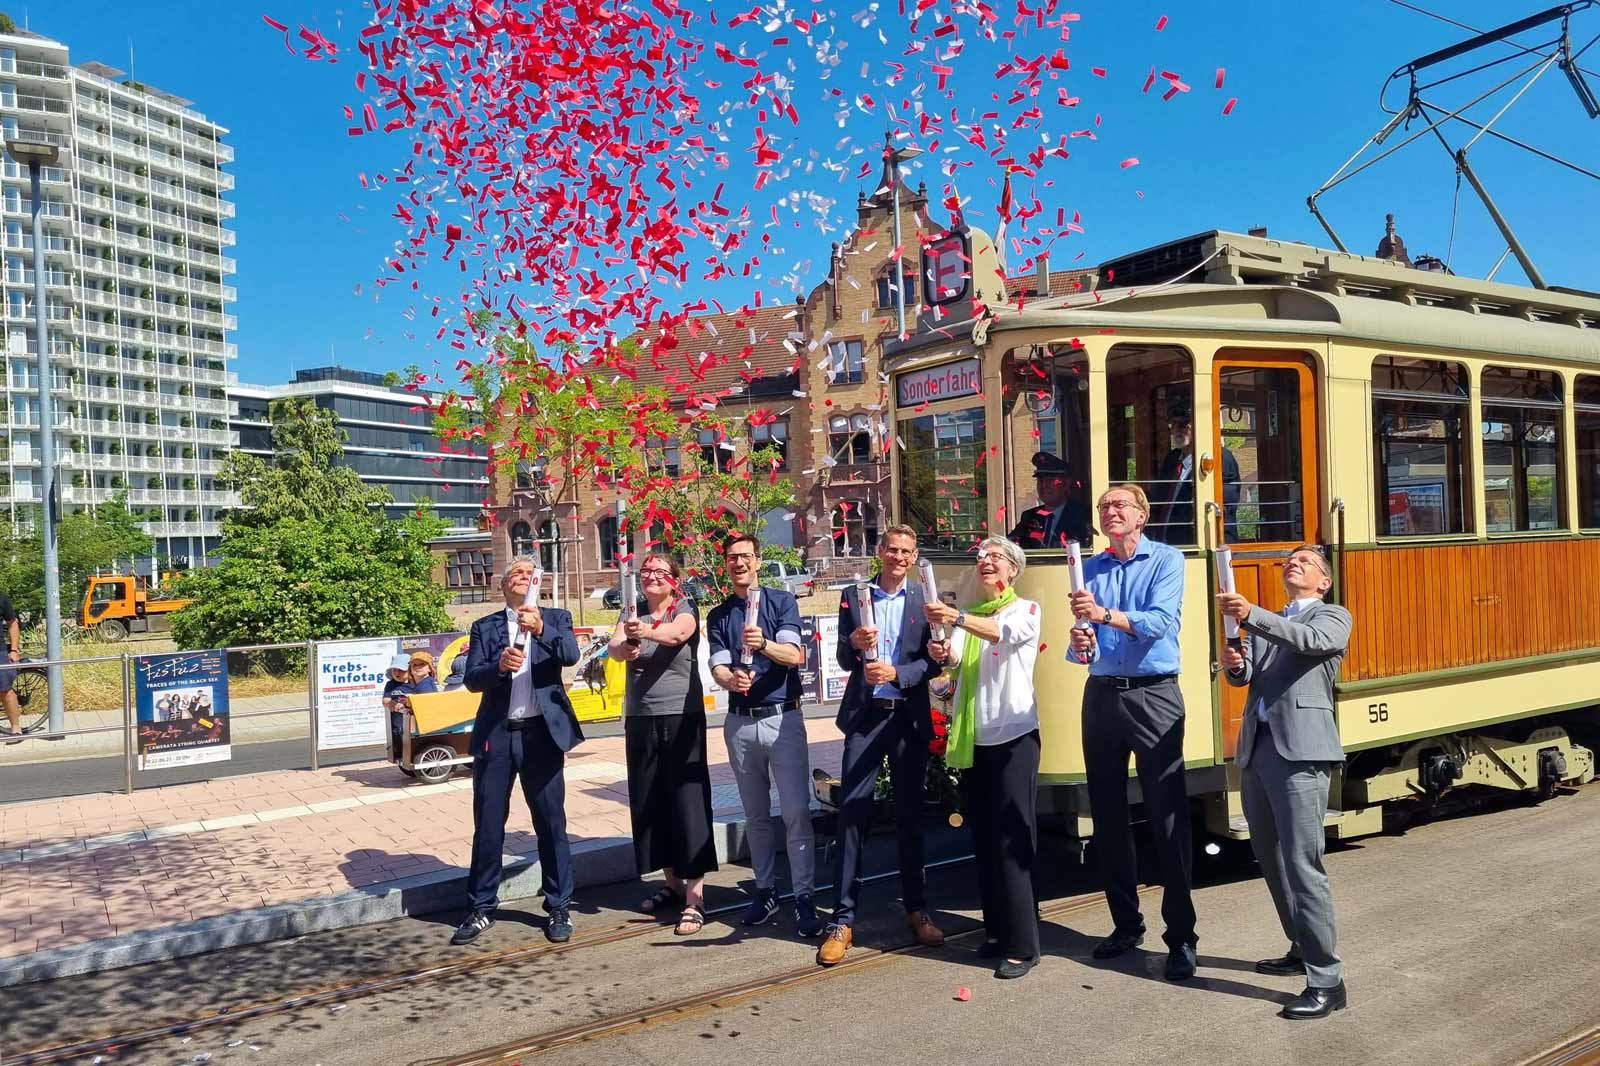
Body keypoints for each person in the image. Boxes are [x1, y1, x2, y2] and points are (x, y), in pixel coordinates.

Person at [1067, 483, 1198, 982]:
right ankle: (1126, 924)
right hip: (1101, 694)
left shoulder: (1166, 559)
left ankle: (1182, 937)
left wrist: (1100, 616)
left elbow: (1162, 622)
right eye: (1103, 507)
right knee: (1107, 815)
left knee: (1168, 819)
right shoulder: (1091, 568)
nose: (1109, 511)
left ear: (1141, 516)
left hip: (1154, 695)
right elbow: (1084, 642)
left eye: (1119, 505)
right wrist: (1081, 639)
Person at [1219, 545, 1353, 1020]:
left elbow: (1310, 642)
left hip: (1302, 752)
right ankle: (1300, 946)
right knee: (1271, 858)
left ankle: (1327, 980)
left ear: (1324, 581)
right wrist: (1235, 662)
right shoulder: (1267, 621)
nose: (1292, 564)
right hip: (1258, 750)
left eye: (1305, 562)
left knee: (1302, 862)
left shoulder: (1334, 616)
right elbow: (1248, 677)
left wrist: (1251, 615)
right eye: (1288, 562)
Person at [816, 525, 948, 966]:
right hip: (867, 719)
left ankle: (916, 908)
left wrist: (900, 676)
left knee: (911, 818)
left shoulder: (923, 600)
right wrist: (854, 646)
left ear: (913, 558)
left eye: (906, 552)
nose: (898, 557)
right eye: (891, 549)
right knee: (853, 813)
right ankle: (842, 919)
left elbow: (934, 659)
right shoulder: (856, 597)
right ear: (879, 552)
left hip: (908, 718)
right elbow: (839, 656)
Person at [924, 536, 1041, 979]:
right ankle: (996, 933)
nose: (986, 563)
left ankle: (1023, 945)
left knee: (1013, 842)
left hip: (1014, 738)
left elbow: (1002, 634)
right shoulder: (971, 618)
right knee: (986, 843)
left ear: (1013, 570)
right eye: (982, 558)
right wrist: (942, 647)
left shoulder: (1025, 609)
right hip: (977, 740)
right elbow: (952, 656)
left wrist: (956, 617)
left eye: (995, 558)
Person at [451, 556, 583, 947]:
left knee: (550, 821)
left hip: (542, 734)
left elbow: (571, 654)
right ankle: (481, 907)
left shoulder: (556, 617)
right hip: (498, 735)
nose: (525, 578)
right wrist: (498, 667)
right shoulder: (485, 626)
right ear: (504, 585)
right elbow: (472, 679)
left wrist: (540, 628)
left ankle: (559, 903)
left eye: (530, 574)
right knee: (489, 824)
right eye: (517, 574)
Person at [705, 533, 821, 938]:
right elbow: (718, 665)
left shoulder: (781, 601)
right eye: (732, 557)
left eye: (746, 556)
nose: (739, 563)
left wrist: (765, 644)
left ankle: (804, 895)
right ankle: (766, 889)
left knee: (795, 812)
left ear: (757, 561)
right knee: (754, 816)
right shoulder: (718, 615)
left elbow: (795, 656)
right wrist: (729, 679)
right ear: (726, 563)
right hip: (739, 722)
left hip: (782, 718)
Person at [610, 553, 718, 938]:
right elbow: (614, 648)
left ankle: (695, 896)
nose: (651, 577)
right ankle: (671, 883)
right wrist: (628, 648)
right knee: (651, 800)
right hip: (640, 718)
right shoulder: (631, 609)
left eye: (659, 571)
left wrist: (644, 632)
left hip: (680, 715)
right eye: (646, 572)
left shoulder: (685, 606)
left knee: (686, 802)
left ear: (675, 579)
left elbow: (677, 634)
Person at [1153, 409, 1240, 542]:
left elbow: (1226, 503)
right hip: (1167, 542)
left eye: (1183, 425)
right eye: (1173, 425)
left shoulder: (1219, 457)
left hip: (1203, 540)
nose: (1177, 430)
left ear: (1200, 426)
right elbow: (1160, 495)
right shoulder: (1172, 458)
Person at [1008, 452, 1093, 550]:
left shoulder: (1082, 514)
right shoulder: (1030, 516)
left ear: (1065, 484)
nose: (1043, 486)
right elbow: (1008, 544)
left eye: (1050, 480)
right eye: (1040, 481)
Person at [382, 653, 413, 760]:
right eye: (394, 670)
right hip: (396, 717)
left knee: (409, 735)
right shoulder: (391, 684)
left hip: (411, 718)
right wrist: (391, 703)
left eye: (401, 670)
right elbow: (385, 699)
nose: (397, 673)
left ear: (410, 670)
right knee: (397, 733)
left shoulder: (414, 684)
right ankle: (400, 752)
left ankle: (409, 753)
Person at [0, 591, 20, 744]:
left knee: (4, 689)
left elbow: (12, 623)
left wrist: (14, 650)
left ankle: (16, 728)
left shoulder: (1, 598)